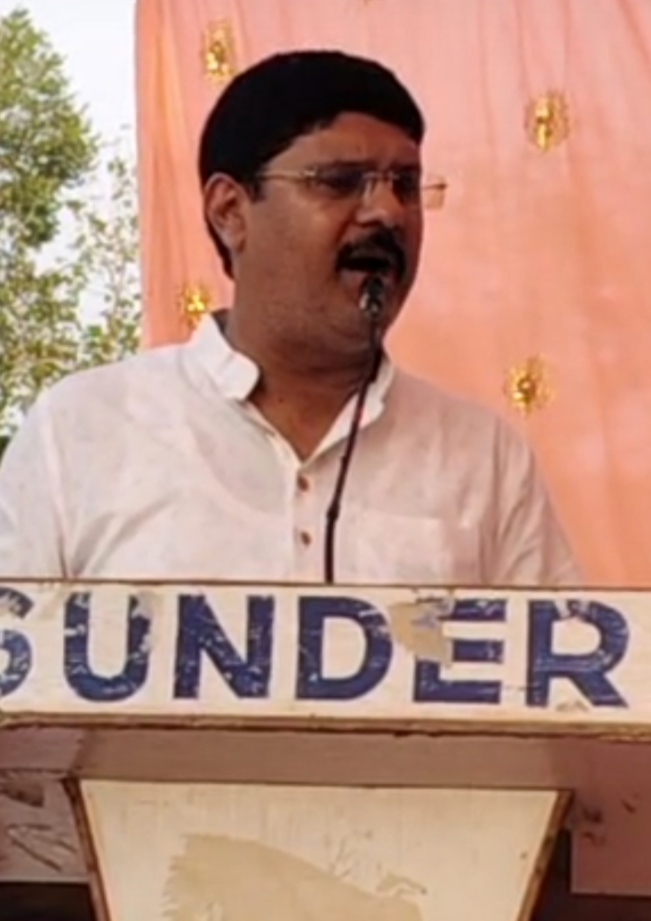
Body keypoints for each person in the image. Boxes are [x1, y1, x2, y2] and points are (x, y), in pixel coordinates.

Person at [0, 49, 580, 585]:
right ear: (230, 211)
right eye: (339, 182)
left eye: (405, 185)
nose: (387, 212)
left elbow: (559, 663)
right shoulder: (81, 431)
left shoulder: (483, 458)